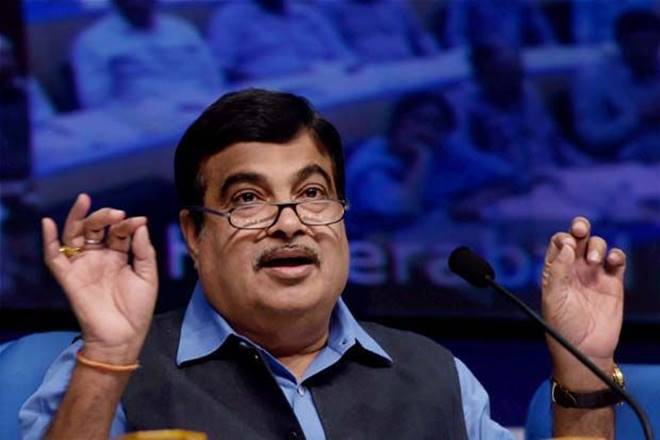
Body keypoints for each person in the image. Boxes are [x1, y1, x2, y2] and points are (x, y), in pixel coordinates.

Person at [21, 89, 625, 439]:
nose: (290, 223)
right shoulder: (111, 368)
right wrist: (108, 355)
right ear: (194, 234)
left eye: (312, 193)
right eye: (248, 199)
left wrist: (587, 366)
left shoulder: (436, 375)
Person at [346, 92, 512, 234]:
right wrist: (422, 160)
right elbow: (402, 210)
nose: (426, 130)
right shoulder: (372, 165)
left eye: (436, 125)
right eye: (418, 120)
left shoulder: (445, 150)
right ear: (399, 123)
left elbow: (508, 176)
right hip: (371, 248)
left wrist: (479, 199)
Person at [71, 0, 221, 109]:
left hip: (203, 108)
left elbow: (213, 78)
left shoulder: (181, 29)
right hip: (142, 120)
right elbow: (96, 103)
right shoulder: (93, 41)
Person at [573, 9, 660, 163]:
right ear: (620, 42)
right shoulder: (594, 77)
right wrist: (639, 117)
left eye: (652, 45)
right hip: (617, 163)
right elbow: (591, 138)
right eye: (640, 45)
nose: (646, 53)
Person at [206, 0, 355, 82]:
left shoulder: (304, 12)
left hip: (326, 79)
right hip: (272, 88)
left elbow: (340, 53)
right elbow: (221, 68)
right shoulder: (230, 17)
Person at [322, 0, 438, 64]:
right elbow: (334, 47)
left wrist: (436, 59)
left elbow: (420, 36)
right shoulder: (331, 7)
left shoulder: (396, 3)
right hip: (367, 76)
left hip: (409, 67)